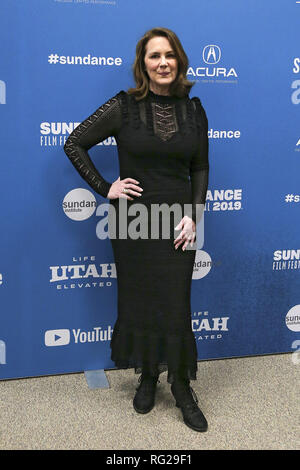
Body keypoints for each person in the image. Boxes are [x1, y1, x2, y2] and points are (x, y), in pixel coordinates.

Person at [63, 27, 209, 432]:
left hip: (178, 220)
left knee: (176, 304)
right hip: (132, 221)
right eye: (153, 56)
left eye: (169, 55)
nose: (162, 62)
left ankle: (181, 386)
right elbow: (74, 142)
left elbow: (200, 167)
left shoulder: (194, 110)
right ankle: (147, 375)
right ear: (143, 64)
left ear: (179, 60)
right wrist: (105, 187)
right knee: (140, 299)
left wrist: (193, 214)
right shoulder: (123, 107)